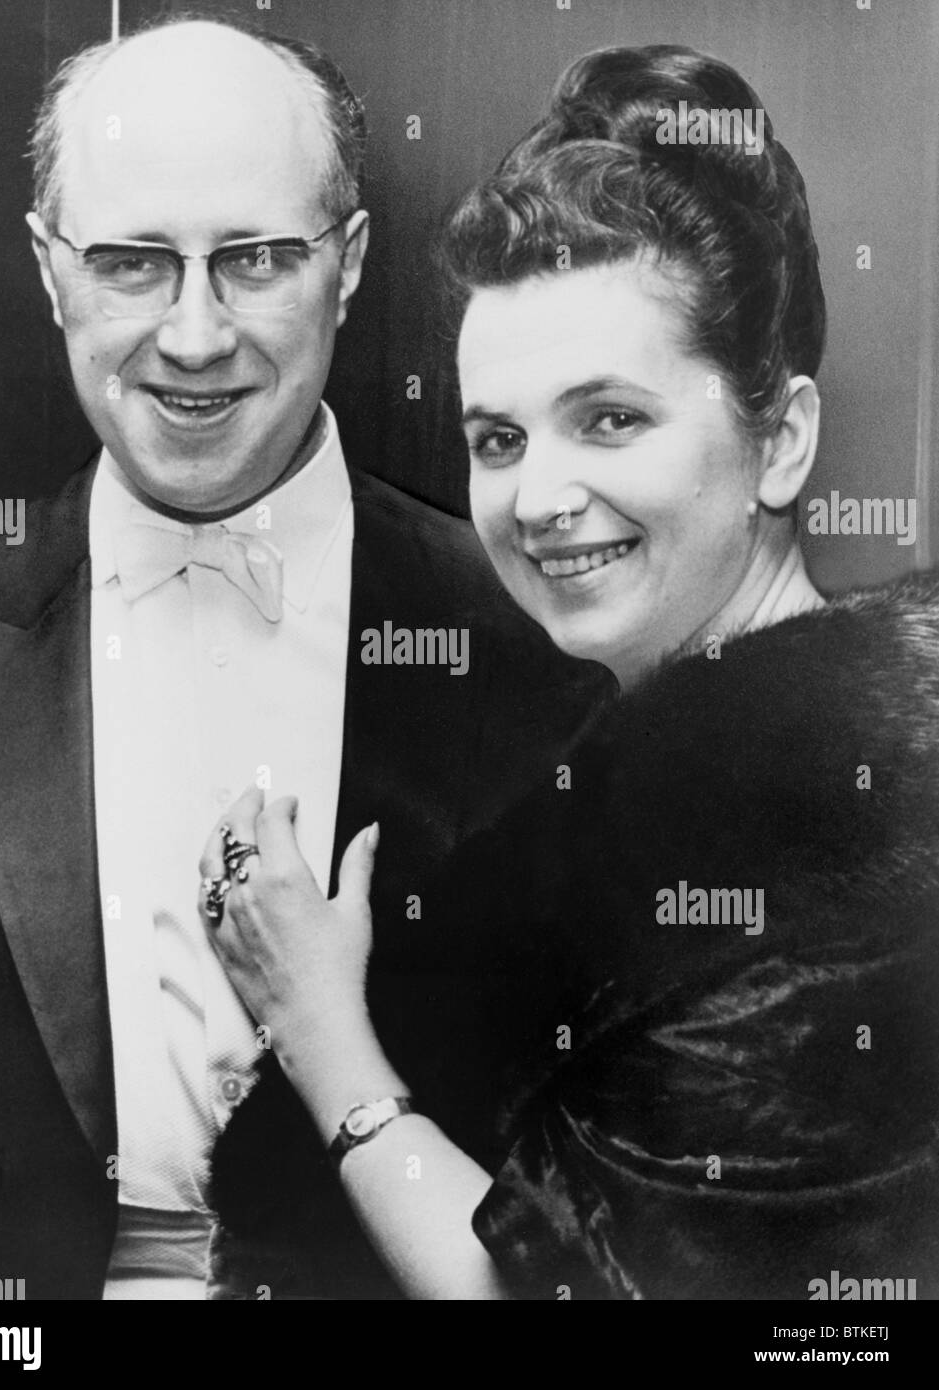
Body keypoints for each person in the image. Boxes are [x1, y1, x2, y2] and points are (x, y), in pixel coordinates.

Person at [200, 45, 939, 1300]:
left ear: (781, 440)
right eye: (498, 437)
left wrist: (320, 1028)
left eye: (609, 419)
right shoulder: (591, 770)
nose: (537, 499)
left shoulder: (854, 842)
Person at [0, 16, 603, 1301]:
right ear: (50, 273)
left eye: (258, 259)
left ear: (348, 265)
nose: (197, 336)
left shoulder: (543, 652)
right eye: (130, 265)